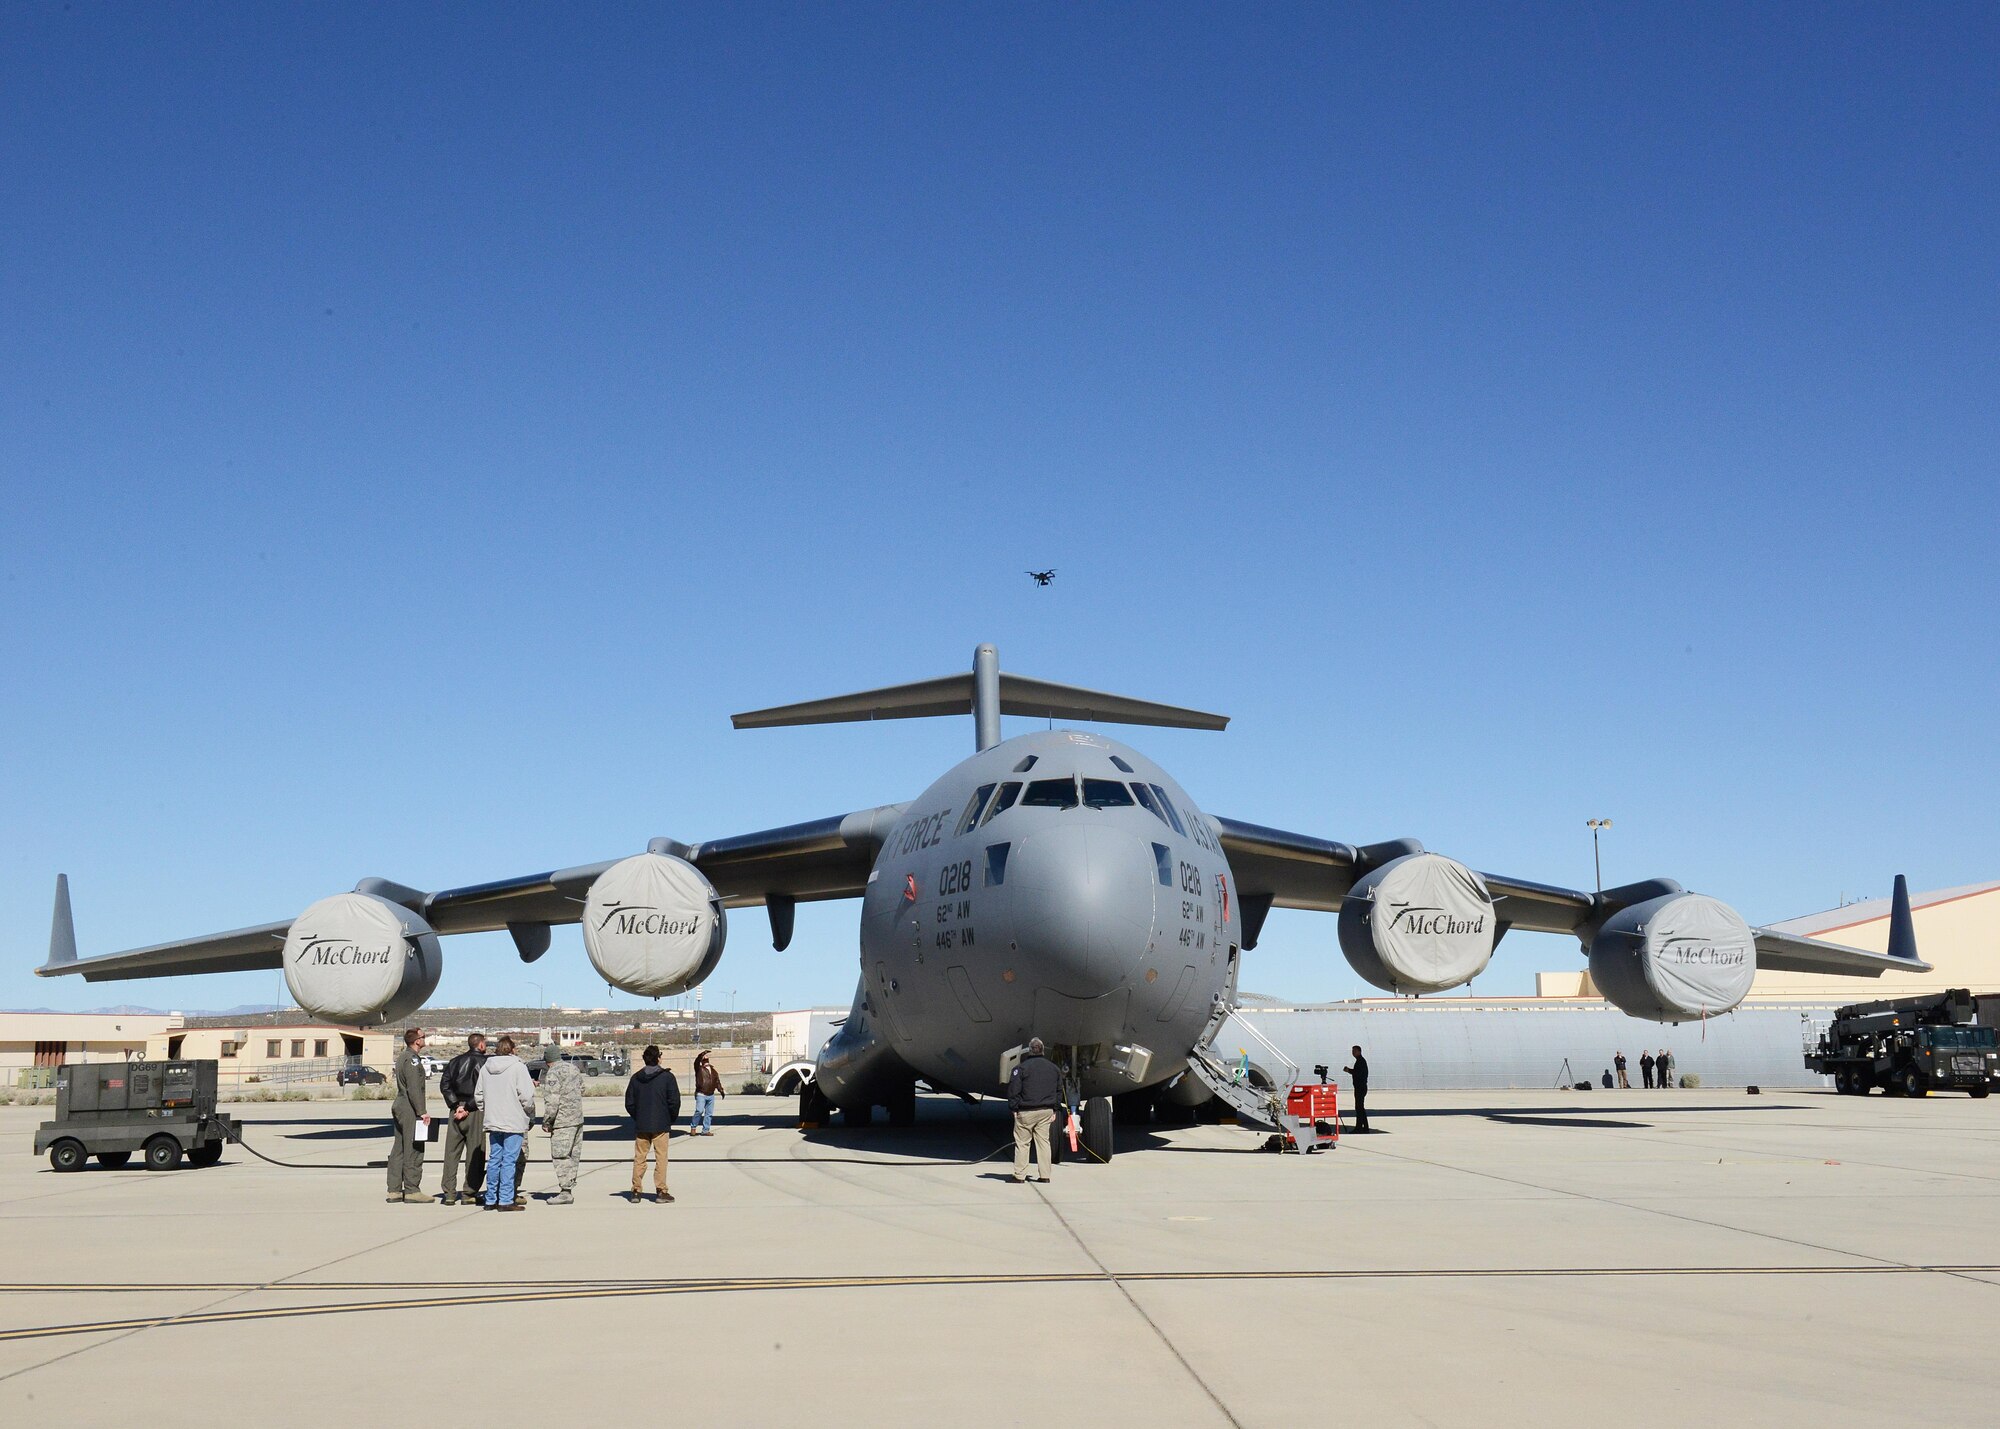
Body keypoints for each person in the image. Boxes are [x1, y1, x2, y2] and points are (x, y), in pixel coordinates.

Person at [475, 1035, 536, 1212]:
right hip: (513, 1120)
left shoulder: (486, 1067)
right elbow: (526, 1095)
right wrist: (527, 1110)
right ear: (513, 1049)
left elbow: (479, 1094)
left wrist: (485, 1109)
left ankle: (491, 1198)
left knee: (494, 1160)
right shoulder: (518, 1067)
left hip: (493, 1120)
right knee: (509, 1161)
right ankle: (505, 1200)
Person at [625, 1044, 680, 1203]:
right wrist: (671, 1118)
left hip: (642, 1125)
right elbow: (674, 1101)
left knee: (639, 1157)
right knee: (661, 1158)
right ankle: (661, 1191)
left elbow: (629, 1103)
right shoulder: (668, 1078)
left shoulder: (635, 1078)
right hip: (661, 1125)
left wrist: (638, 1116)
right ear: (658, 1058)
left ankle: (636, 1190)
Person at [438, 1032, 488, 1205]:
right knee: (475, 1153)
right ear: (480, 1045)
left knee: (451, 1153)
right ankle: (469, 1192)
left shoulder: (454, 1062)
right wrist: (467, 1107)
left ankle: (449, 1193)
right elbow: (484, 1090)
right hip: (475, 1111)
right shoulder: (485, 1063)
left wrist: (455, 1106)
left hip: (456, 1111)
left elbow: (444, 1085)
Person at [386, 1027, 432, 1204]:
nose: (424, 1039)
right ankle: (412, 1190)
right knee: (414, 1147)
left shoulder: (403, 1057)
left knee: (399, 1148)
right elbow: (414, 1088)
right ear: (417, 1041)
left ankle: (394, 1190)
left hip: (401, 1104)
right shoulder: (412, 1059)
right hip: (409, 1107)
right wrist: (422, 1112)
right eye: (423, 1037)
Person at [1007, 1038, 1061, 1183]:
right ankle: (1045, 1175)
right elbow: (1058, 1091)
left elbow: (1014, 1091)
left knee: (1023, 1143)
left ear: (1029, 1050)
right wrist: (1055, 1109)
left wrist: (1013, 1108)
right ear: (1043, 1050)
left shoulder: (1021, 1069)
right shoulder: (1054, 1069)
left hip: (1026, 1112)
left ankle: (1019, 1175)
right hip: (1046, 1111)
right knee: (1043, 1142)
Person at [541, 1044, 585, 1205]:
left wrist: (547, 1121)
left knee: (560, 1155)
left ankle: (565, 1191)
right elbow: (582, 1088)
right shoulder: (573, 1068)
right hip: (577, 1119)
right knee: (573, 1156)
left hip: (563, 1122)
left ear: (548, 1060)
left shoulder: (553, 1073)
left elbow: (552, 1101)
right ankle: (569, 1186)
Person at [692, 1050, 724, 1135]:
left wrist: (721, 1090)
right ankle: (693, 1126)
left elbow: (717, 1082)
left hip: (711, 1095)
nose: (706, 1062)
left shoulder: (714, 1071)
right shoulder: (699, 1069)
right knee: (699, 1110)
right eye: (704, 1060)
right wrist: (702, 1054)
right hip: (701, 1094)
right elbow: (696, 1062)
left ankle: (705, 1130)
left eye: (707, 1060)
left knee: (709, 1114)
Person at [1344, 1045, 1371, 1133]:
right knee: (1360, 1108)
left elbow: (1358, 1073)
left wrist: (1349, 1070)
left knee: (1359, 1107)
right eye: (1352, 1051)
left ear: (1359, 1051)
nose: (1353, 1053)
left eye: (1354, 1051)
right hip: (1360, 1087)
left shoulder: (1361, 1061)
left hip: (1360, 1087)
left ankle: (1360, 1127)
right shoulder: (1360, 1061)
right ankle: (1364, 1127)